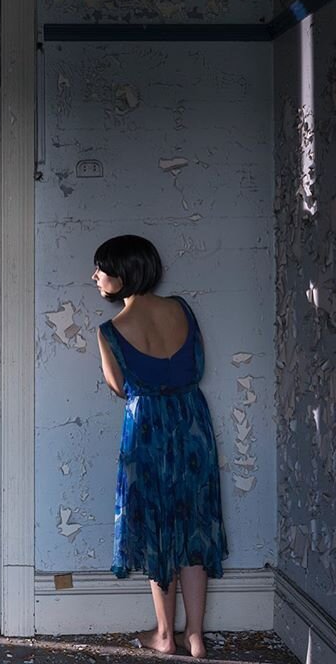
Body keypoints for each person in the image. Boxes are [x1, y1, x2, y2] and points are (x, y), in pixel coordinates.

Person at [93, 234, 228, 659]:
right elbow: (198, 364)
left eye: (101, 269)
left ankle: (166, 635)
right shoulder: (181, 310)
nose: (95, 276)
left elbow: (120, 388)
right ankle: (196, 637)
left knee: (157, 528)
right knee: (193, 525)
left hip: (147, 428)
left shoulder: (110, 331)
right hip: (192, 423)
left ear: (123, 274)